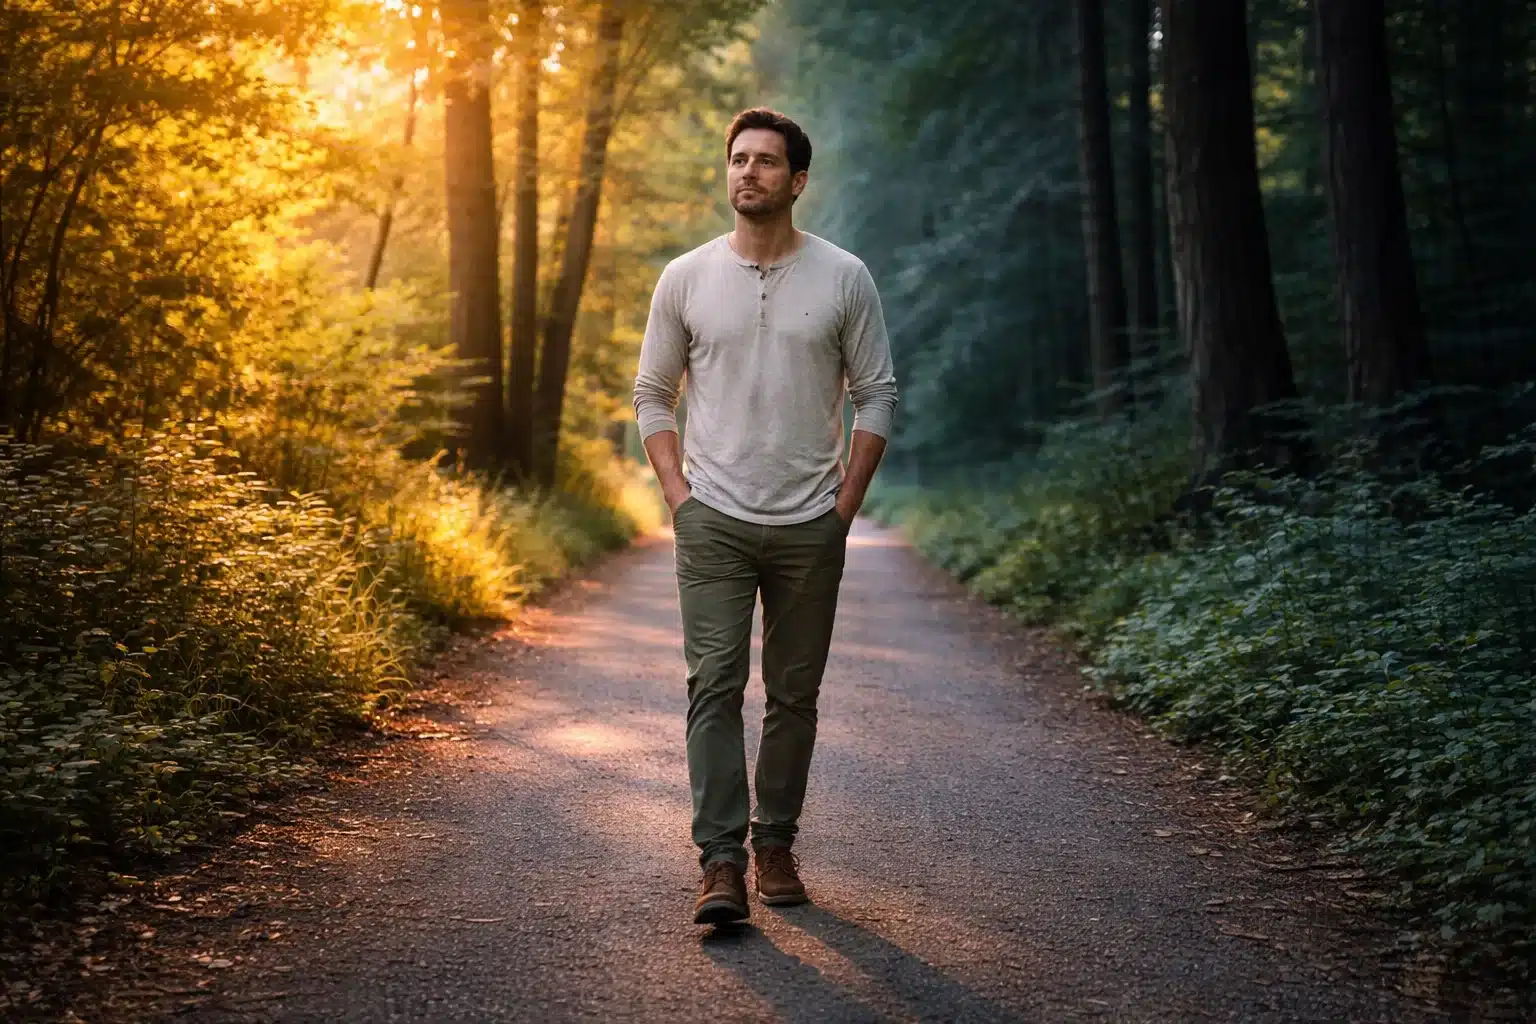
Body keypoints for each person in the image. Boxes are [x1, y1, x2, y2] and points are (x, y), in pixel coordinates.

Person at [632, 107, 899, 925]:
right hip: (712, 517)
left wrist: (843, 507)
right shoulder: (685, 277)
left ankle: (774, 844)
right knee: (713, 685)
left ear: (797, 180)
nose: (748, 172)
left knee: (794, 694)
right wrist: (680, 497)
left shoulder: (844, 276)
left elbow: (877, 393)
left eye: (767, 162)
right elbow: (652, 393)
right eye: (738, 159)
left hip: (809, 522)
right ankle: (720, 864)